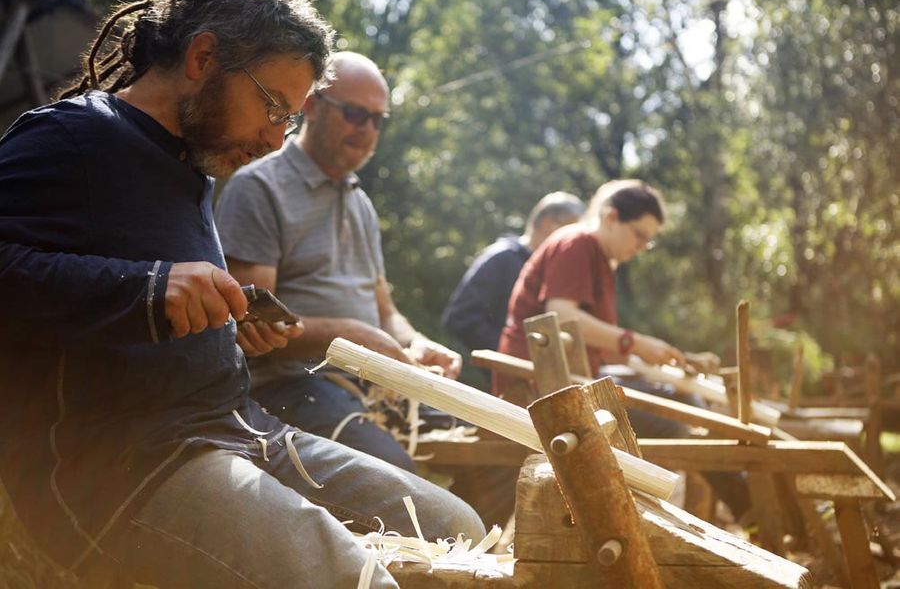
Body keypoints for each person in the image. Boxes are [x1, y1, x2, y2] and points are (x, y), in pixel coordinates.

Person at [0, 0, 483, 587]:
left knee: (458, 529)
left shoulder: (191, 166)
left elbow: (156, 314)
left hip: (240, 428)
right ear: (204, 57)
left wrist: (231, 328)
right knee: (356, 581)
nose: (276, 139)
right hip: (125, 462)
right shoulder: (74, 135)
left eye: (289, 120)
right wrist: (145, 289)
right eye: (273, 107)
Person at [215, 51, 462, 473]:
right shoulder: (260, 187)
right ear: (311, 104)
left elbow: (385, 309)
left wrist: (413, 342)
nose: (366, 130)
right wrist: (353, 338)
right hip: (293, 385)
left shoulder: (361, 203)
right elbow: (254, 321)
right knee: (399, 479)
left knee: (508, 442)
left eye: (377, 120)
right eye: (354, 114)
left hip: (371, 386)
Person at [496, 179, 750, 520]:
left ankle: (746, 510)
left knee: (683, 400)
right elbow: (560, 315)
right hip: (536, 386)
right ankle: (735, 511)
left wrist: (654, 358)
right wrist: (633, 342)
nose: (643, 246)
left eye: (649, 240)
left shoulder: (600, 259)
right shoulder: (577, 243)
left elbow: (600, 345)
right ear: (612, 217)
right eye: (640, 235)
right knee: (674, 421)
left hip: (572, 378)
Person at [442, 191, 585, 356]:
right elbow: (461, 317)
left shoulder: (553, 270)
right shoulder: (502, 257)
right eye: (569, 233)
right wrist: (509, 351)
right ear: (547, 224)